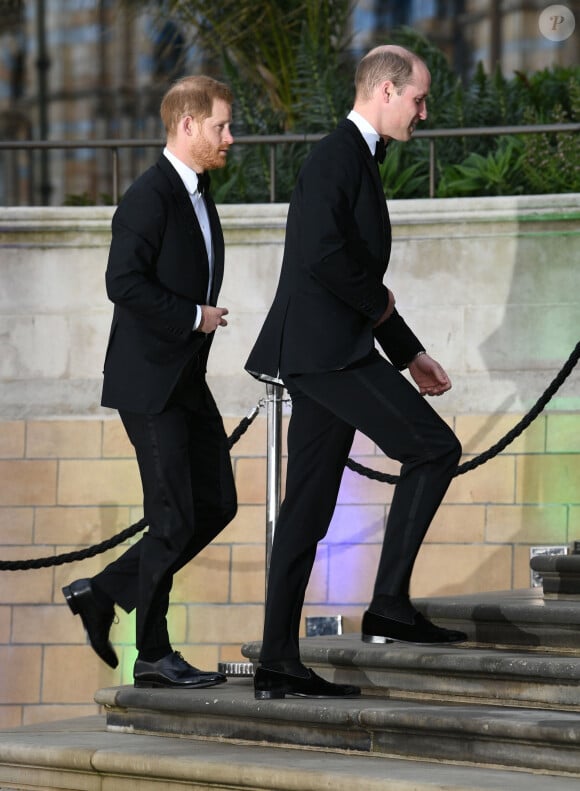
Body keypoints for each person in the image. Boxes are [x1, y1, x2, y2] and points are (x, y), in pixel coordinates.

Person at [245, 45, 465, 701]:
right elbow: (323, 258)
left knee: (306, 511)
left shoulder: (352, 158)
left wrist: (409, 352)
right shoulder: (337, 155)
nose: (424, 112)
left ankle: (278, 660)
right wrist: (381, 308)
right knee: (434, 447)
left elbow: (353, 274)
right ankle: (391, 603)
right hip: (326, 354)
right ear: (387, 91)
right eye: (419, 99)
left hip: (328, 352)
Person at [63, 75, 237, 689]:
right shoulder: (148, 195)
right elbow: (123, 283)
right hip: (149, 384)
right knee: (172, 518)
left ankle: (103, 591)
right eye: (220, 125)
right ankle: (155, 656)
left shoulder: (198, 190)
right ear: (187, 125)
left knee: (217, 504)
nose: (230, 137)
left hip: (186, 378)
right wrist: (195, 316)